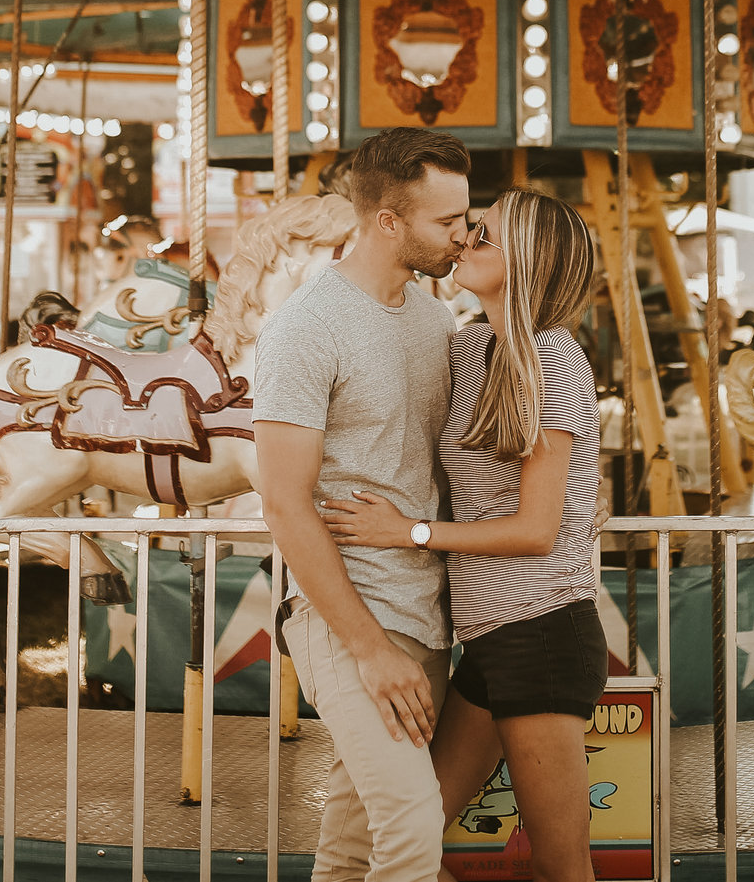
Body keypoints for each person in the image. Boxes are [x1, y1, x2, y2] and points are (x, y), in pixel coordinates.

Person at [324, 188, 607, 882]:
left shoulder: (553, 359)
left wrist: (408, 532)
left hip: (543, 630)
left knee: (562, 867)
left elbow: (537, 529)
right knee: (415, 835)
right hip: (488, 640)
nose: (465, 242)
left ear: (526, 258)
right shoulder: (474, 344)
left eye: (483, 235)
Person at [253, 128, 471, 882]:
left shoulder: (434, 318)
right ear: (388, 220)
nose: (464, 235)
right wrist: (371, 648)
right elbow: (283, 502)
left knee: (351, 843)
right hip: (348, 617)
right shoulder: (305, 328)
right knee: (413, 828)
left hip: (425, 609)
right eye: (447, 221)